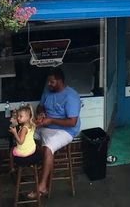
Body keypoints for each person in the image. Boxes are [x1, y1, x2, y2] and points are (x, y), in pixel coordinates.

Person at [31, 68, 81, 199]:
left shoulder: (71, 96)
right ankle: (43, 167)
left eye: (52, 82)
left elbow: (72, 122)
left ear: (60, 81)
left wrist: (51, 120)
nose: (49, 85)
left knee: (48, 148)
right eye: (48, 82)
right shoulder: (48, 90)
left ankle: (42, 186)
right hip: (46, 125)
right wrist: (41, 113)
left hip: (65, 130)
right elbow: (40, 106)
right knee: (25, 135)